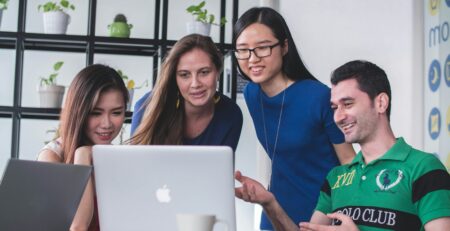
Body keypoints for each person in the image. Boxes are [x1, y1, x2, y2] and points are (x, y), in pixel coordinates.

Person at [235, 60, 450, 230]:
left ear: (381, 103)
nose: (338, 117)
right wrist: (270, 203)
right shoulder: (336, 178)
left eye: (347, 104)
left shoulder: (424, 168)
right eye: (334, 107)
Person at [232, 7, 355, 229]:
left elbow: (349, 163)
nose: (252, 59)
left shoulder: (318, 97)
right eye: (243, 50)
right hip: (275, 211)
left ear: (285, 46)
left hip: (323, 212)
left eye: (263, 48)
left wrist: (337, 214)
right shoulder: (252, 94)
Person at [37, 64, 129, 231]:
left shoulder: (117, 157)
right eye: (96, 113)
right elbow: (77, 226)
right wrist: (83, 156)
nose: (107, 124)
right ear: (78, 112)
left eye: (116, 112)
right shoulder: (52, 156)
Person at [130, 34, 243, 151]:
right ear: (175, 78)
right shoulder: (146, 107)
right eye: (184, 75)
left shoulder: (231, 114)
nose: (195, 84)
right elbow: (135, 165)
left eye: (204, 72)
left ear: (218, 71)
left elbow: (221, 167)